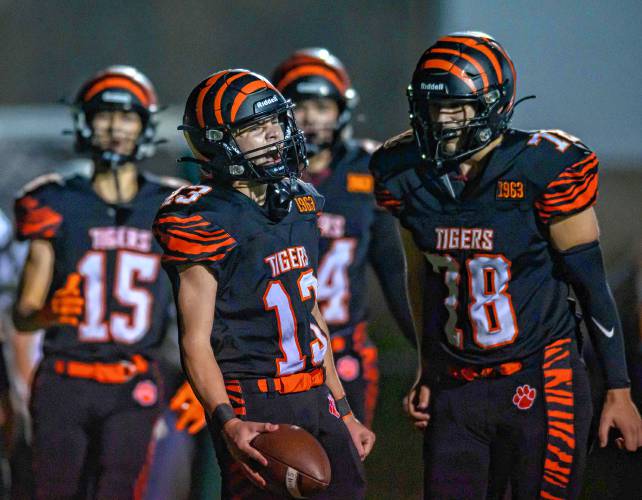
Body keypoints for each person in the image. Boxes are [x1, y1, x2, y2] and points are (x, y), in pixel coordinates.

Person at [369, 31, 642, 499]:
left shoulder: (544, 167)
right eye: (437, 107)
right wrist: (427, 368)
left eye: (458, 107)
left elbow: (592, 285)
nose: (445, 120)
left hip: (541, 377)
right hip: (457, 386)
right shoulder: (404, 173)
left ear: (494, 104)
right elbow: (424, 279)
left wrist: (618, 388)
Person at [153, 69, 375, 499]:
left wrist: (344, 409)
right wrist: (227, 420)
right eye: (257, 128)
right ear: (220, 142)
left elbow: (310, 314)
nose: (275, 133)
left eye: (276, 121)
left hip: (314, 390)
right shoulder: (203, 219)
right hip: (256, 396)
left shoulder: (300, 202)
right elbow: (195, 340)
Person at [12, 65, 184, 499]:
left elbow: (199, 303)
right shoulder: (56, 200)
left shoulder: (173, 206)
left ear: (144, 124)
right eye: (104, 114)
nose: (114, 127)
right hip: (65, 378)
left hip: (133, 379)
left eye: (126, 116)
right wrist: (51, 311)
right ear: (85, 121)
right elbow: (24, 314)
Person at [271, 48, 416, 427]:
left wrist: (426, 354)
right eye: (299, 105)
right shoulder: (260, 175)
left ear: (341, 111)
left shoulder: (367, 170)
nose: (310, 118)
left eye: (322, 106)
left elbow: (394, 273)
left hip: (344, 348)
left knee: (344, 476)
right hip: (274, 351)